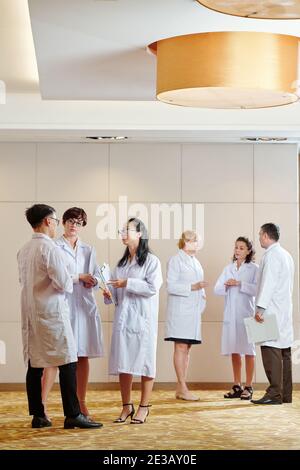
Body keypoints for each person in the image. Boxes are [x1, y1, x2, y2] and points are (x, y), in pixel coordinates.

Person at [17, 204, 102, 429]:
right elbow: (64, 283)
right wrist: (76, 278)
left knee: (35, 363)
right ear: (48, 221)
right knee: (68, 361)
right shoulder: (51, 249)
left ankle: (38, 415)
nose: (56, 225)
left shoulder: (24, 249)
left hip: (30, 313)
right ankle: (73, 414)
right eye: (55, 220)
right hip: (52, 312)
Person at [42, 207, 104, 421]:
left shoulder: (88, 249)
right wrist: (81, 276)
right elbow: (56, 276)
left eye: (78, 222)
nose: (73, 225)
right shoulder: (54, 247)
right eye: (69, 221)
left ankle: (81, 403)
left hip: (84, 307)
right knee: (55, 357)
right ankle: (42, 407)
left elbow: (95, 275)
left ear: (82, 226)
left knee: (82, 355)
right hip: (63, 305)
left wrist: (94, 281)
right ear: (63, 223)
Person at [104, 217, 162, 424]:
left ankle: (144, 407)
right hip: (123, 321)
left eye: (127, 230)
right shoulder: (121, 264)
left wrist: (128, 283)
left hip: (142, 321)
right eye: (122, 230)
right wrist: (107, 292)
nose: (123, 233)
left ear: (140, 234)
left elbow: (152, 288)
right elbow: (115, 292)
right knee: (124, 362)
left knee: (146, 363)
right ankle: (126, 406)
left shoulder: (152, 261)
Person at [251, 223, 294, 405]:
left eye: (260, 234)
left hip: (270, 308)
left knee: (270, 350)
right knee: (284, 350)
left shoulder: (272, 256)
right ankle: (285, 394)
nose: (259, 237)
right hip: (283, 308)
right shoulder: (286, 254)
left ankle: (274, 394)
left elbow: (268, 283)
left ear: (267, 236)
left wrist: (260, 308)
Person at [164, 230, 207, 401]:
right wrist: (193, 287)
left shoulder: (195, 262)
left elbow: (199, 286)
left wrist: (202, 298)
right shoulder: (176, 260)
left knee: (187, 348)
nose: (194, 243)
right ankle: (182, 386)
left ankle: (180, 387)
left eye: (196, 240)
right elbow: (170, 286)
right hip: (180, 312)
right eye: (190, 240)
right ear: (183, 242)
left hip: (193, 312)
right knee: (180, 347)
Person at [214, 237, 258, 400]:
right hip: (230, 316)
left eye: (241, 248)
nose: (238, 250)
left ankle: (249, 386)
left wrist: (239, 283)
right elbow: (216, 289)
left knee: (249, 351)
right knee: (234, 350)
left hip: (247, 314)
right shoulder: (228, 268)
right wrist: (226, 285)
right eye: (236, 248)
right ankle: (237, 385)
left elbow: (257, 289)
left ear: (248, 251)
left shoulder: (254, 268)